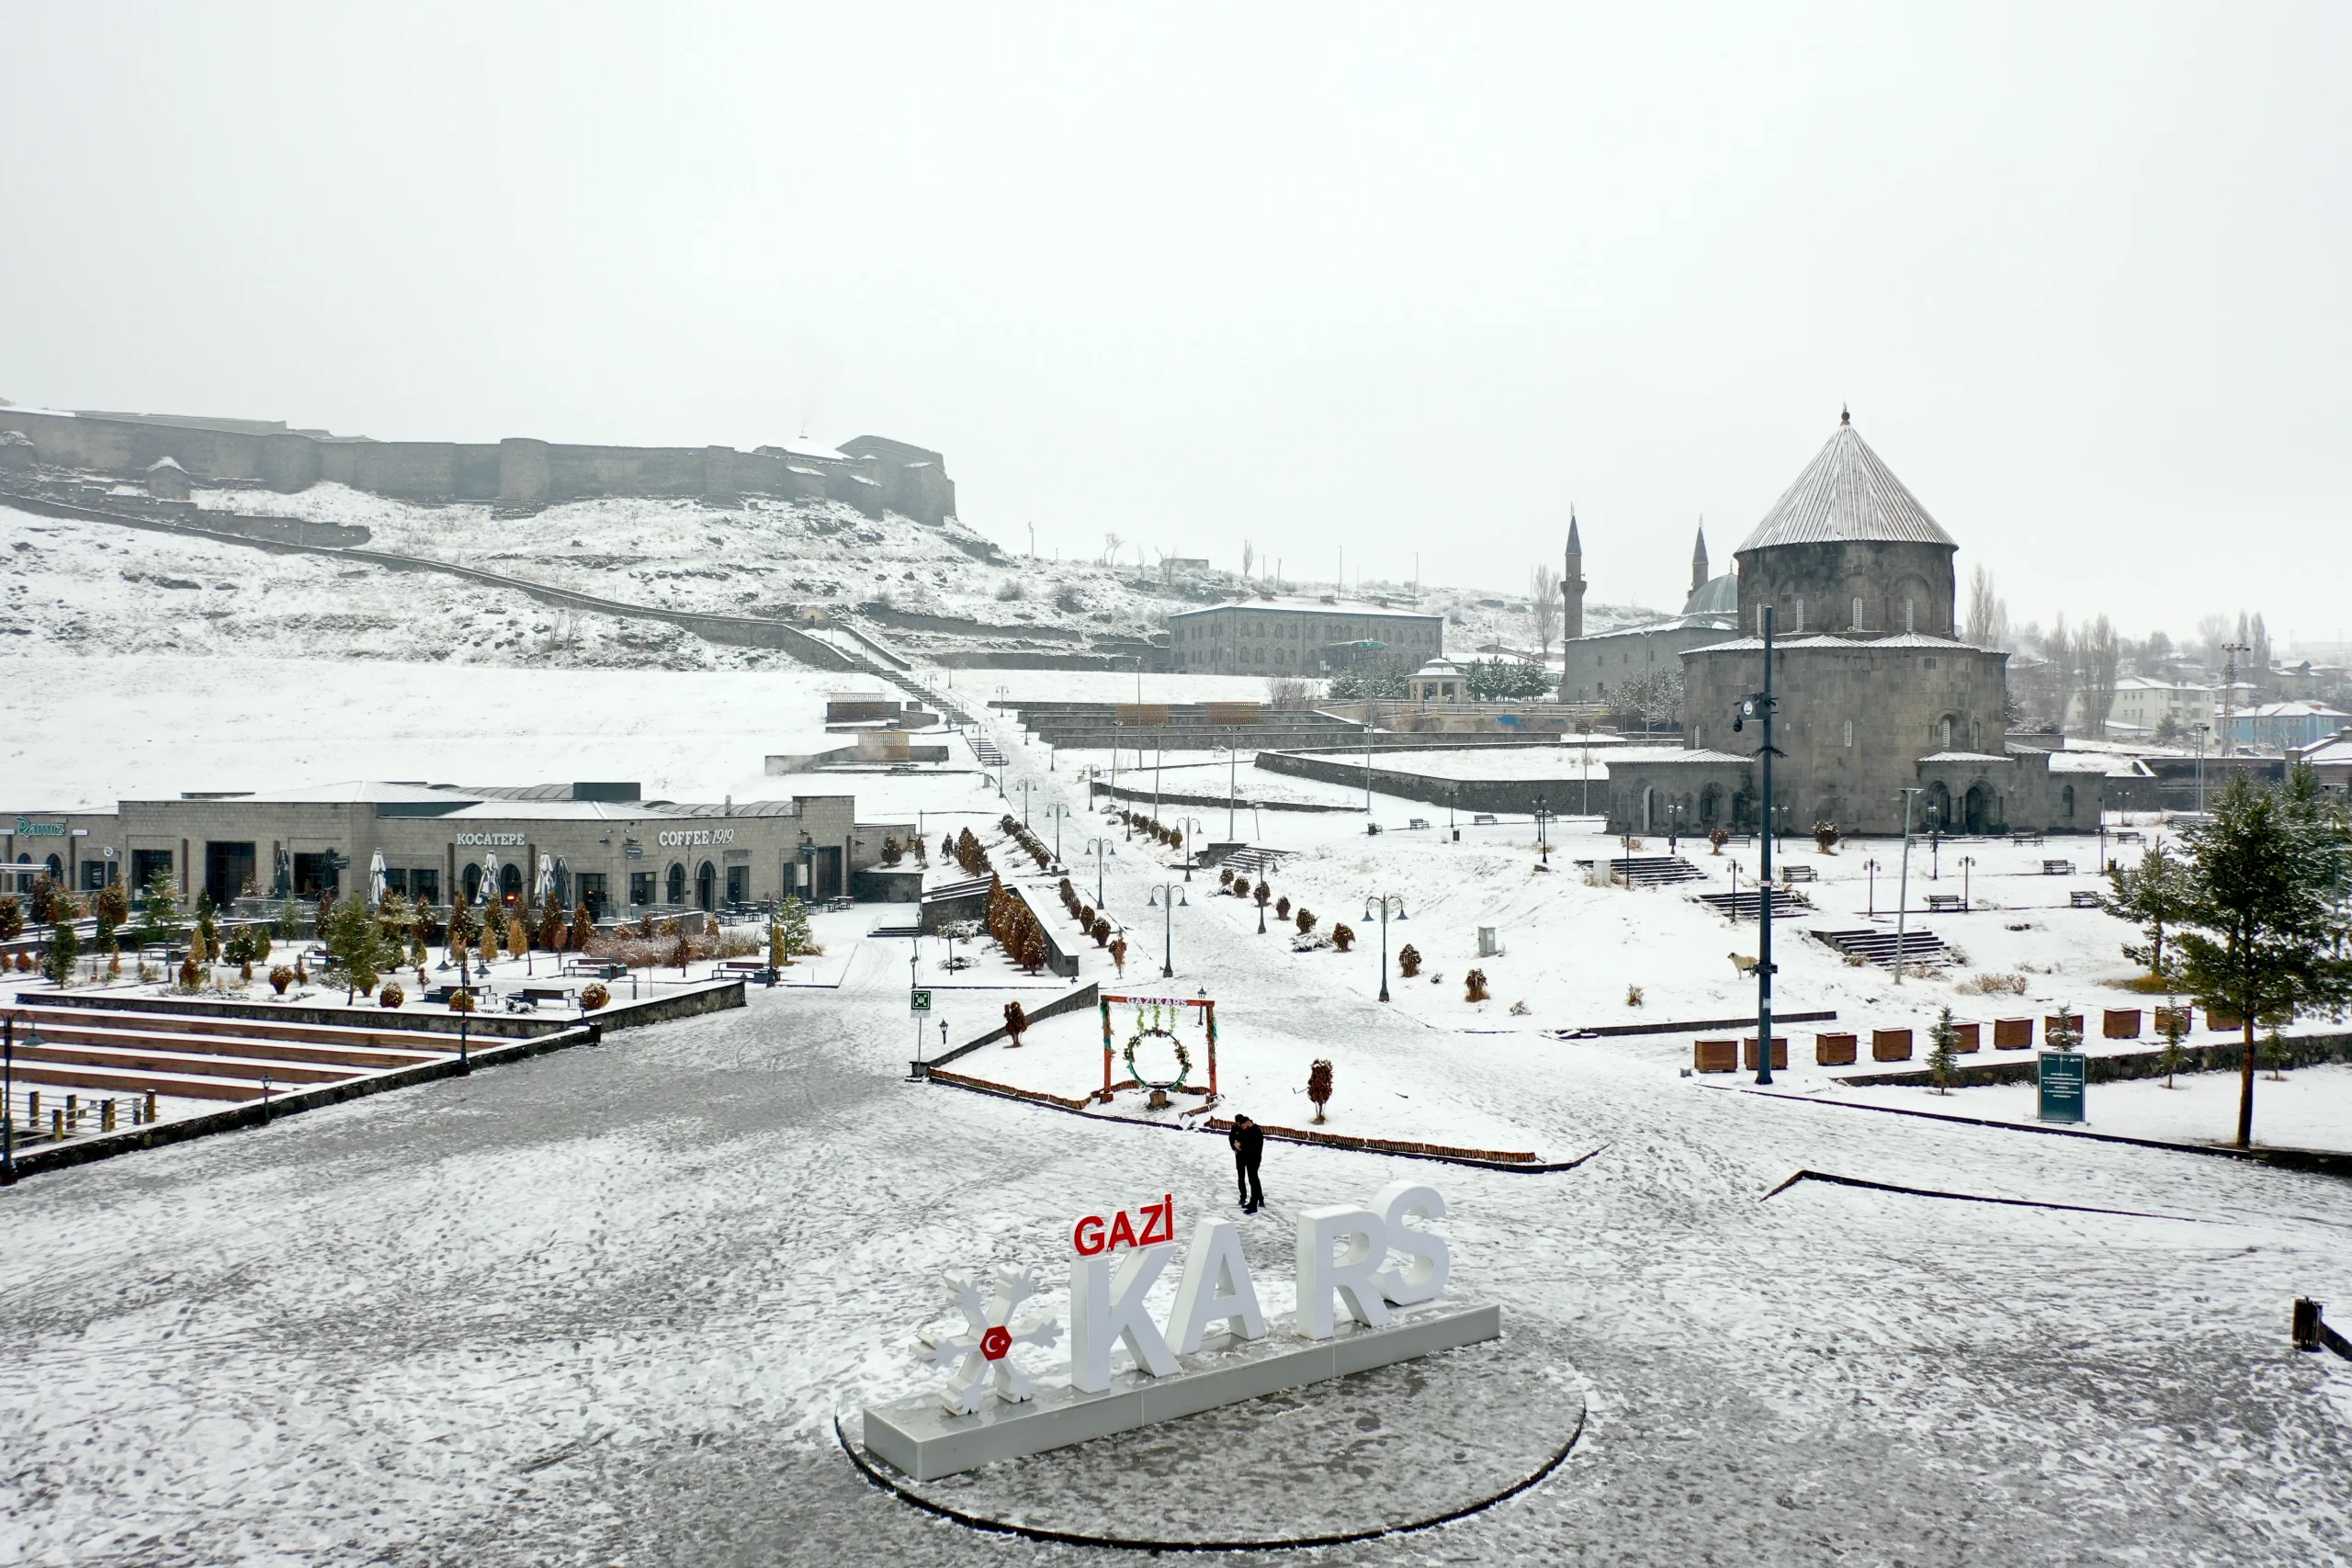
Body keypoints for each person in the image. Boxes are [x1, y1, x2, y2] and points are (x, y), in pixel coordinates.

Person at [1229, 1113, 1264, 1213]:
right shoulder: (1250, 1130)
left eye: (1244, 1126)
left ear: (1247, 1123)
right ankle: (1252, 1202)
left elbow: (1251, 1146)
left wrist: (1240, 1146)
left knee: (1254, 1181)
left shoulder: (1256, 1132)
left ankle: (1255, 1204)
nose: (1243, 1128)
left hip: (1254, 1159)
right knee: (1251, 1180)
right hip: (1249, 1159)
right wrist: (1236, 1145)